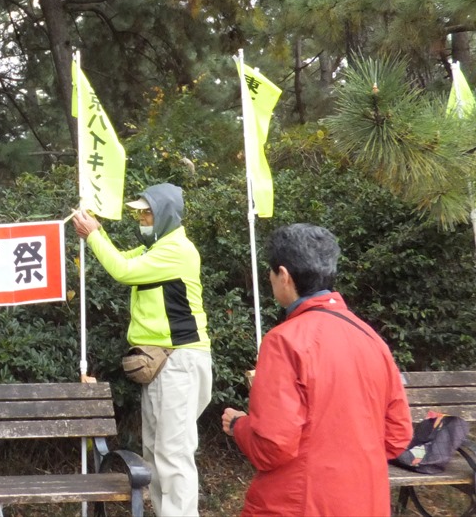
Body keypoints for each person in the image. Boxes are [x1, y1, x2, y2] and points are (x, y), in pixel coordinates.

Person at [221, 224, 412, 517]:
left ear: (283, 275)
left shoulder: (284, 341)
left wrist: (239, 425)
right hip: (365, 499)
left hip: (300, 502)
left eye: (270, 273)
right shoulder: (371, 338)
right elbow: (397, 435)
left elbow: (272, 446)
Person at [73, 183, 212, 517]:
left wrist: (93, 235)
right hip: (162, 362)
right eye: (139, 213)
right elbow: (121, 258)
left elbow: (123, 271)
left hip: (179, 359)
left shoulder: (176, 250)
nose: (141, 219)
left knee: (173, 454)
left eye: (147, 213)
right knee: (155, 453)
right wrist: (98, 233)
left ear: (164, 215)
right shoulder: (156, 246)